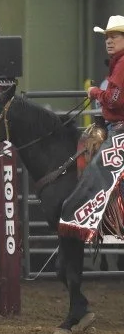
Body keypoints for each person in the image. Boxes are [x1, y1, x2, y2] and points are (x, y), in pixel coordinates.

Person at [59, 16, 124, 242]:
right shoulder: (118, 63)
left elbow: (115, 99)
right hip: (115, 125)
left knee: (100, 167)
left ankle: (92, 218)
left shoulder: (122, 64)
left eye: (114, 36)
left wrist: (95, 93)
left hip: (120, 128)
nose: (109, 41)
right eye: (107, 37)